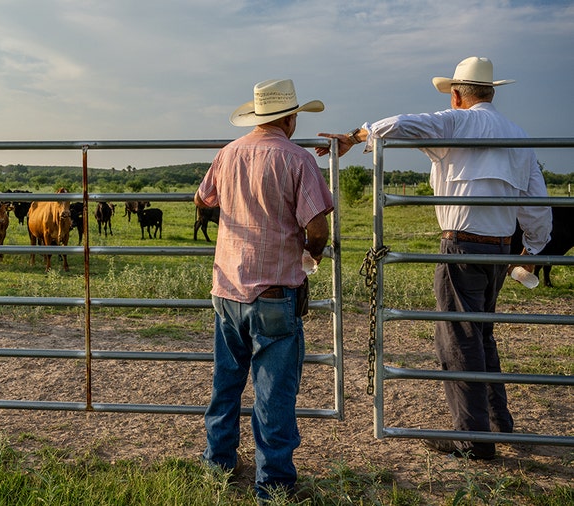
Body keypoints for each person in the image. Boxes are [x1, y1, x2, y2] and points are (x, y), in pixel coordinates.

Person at [317, 56, 552, 460]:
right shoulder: (518, 135)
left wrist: (357, 137)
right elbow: (536, 202)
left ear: (458, 95)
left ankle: (473, 440)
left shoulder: (455, 122)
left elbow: (397, 123)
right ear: (491, 92)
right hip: (500, 249)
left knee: (458, 339)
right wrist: (531, 248)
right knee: (482, 334)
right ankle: (498, 422)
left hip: (461, 245)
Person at [195, 78, 333, 501]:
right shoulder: (297, 159)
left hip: (227, 290)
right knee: (273, 393)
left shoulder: (228, 153)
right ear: (290, 118)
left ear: (258, 116)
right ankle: (272, 484)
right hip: (274, 292)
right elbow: (317, 225)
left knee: (226, 382)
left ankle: (217, 463)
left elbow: (203, 200)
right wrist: (310, 259)